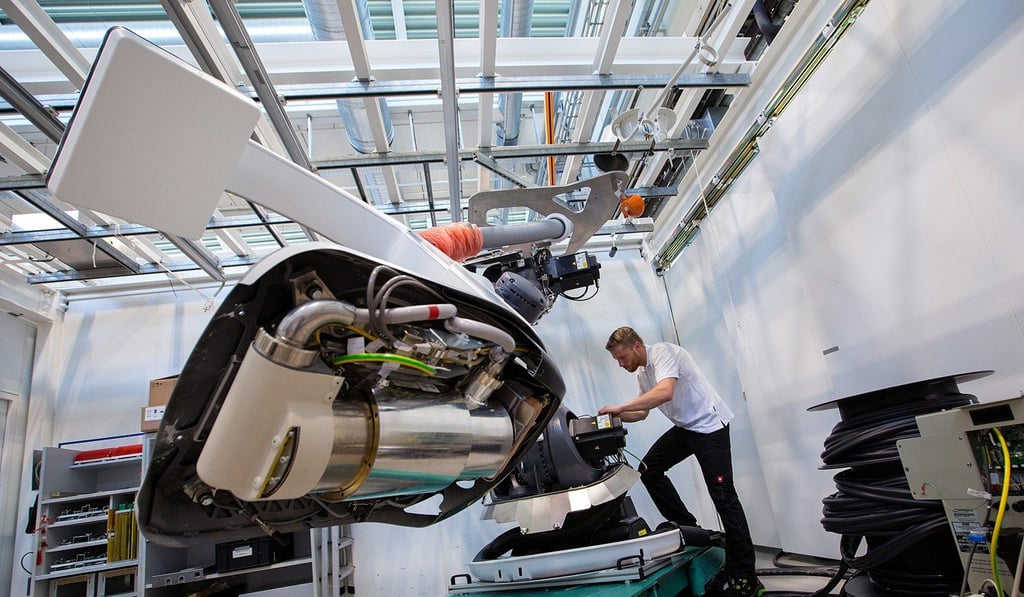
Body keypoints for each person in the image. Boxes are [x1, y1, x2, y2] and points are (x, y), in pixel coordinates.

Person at [599, 326, 763, 597]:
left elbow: (665, 393)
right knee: (649, 470)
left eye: (622, 357)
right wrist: (611, 420)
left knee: (724, 497)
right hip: (686, 430)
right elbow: (641, 412)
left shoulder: (663, 353)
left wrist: (620, 407)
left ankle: (745, 574)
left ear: (637, 346)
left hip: (710, 427)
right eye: (617, 360)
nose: (620, 364)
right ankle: (691, 529)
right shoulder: (643, 372)